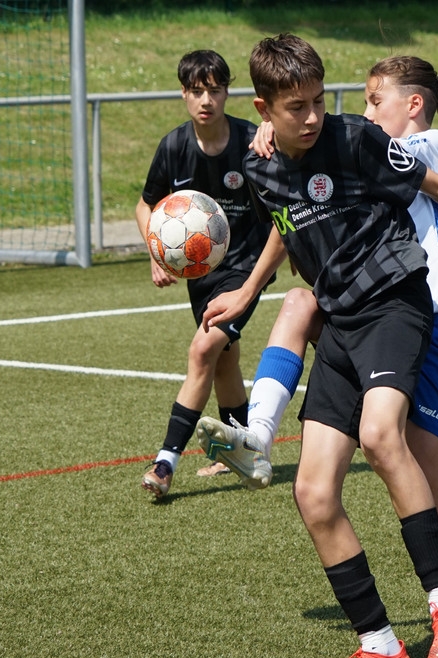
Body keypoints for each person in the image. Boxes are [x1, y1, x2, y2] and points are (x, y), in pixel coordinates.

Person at [194, 35, 438, 658]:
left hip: (399, 303)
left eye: (320, 101)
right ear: (264, 109)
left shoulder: (361, 138)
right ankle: (380, 649)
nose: (314, 116)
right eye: (297, 107)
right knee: (314, 492)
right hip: (343, 321)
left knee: (381, 436)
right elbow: (287, 220)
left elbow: (434, 180)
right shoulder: (263, 163)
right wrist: (247, 290)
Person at [135, 49, 273, 498]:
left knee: (203, 350)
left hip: (247, 267)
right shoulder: (174, 146)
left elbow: (284, 197)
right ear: (184, 94)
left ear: (227, 92)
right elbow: (145, 205)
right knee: (223, 358)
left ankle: (165, 462)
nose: (206, 100)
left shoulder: (252, 141)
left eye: (214, 90)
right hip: (202, 274)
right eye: (196, 91)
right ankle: (242, 452)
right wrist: (157, 252)